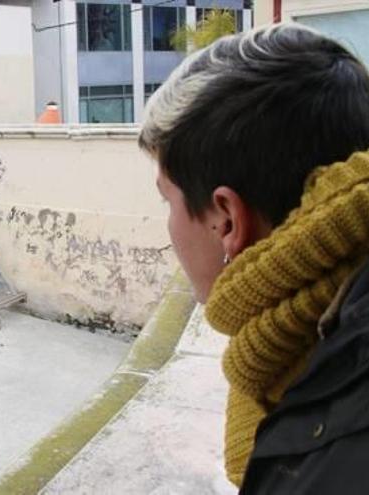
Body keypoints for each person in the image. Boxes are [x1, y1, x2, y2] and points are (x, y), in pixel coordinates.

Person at [139, 23, 369, 493]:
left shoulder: (337, 461)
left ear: (226, 219)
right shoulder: (314, 355)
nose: (170, 228)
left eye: (168, 202)